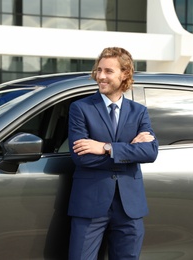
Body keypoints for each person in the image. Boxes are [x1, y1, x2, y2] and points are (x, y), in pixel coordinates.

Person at [67, 47, 159, 260]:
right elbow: (82, 156)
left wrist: (106, 148)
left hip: (130, 207)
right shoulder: (80, 108)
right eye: (99, 70)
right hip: (90, 204)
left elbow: (151, 152)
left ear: (124, 74)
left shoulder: (139, 112)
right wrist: (130, 151)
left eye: (108, 71)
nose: (100, 76)